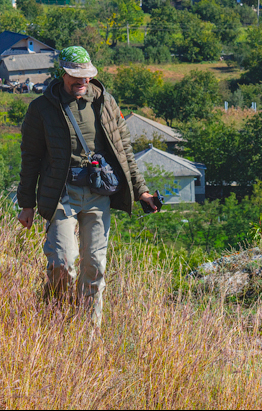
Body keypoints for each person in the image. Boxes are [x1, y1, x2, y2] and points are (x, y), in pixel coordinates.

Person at [16, 46, 160, 328]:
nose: (82, 83)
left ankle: (87, 335)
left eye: (86, 78)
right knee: (62, 264)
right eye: (76, 78)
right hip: (61, 194)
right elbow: (30, 158)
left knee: (94, 267)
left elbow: (124, 151)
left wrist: (141, 190)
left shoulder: (105, 103)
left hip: (97, 194)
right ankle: (53, 317)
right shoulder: (41, 109)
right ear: (64, 74)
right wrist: (26, 204)